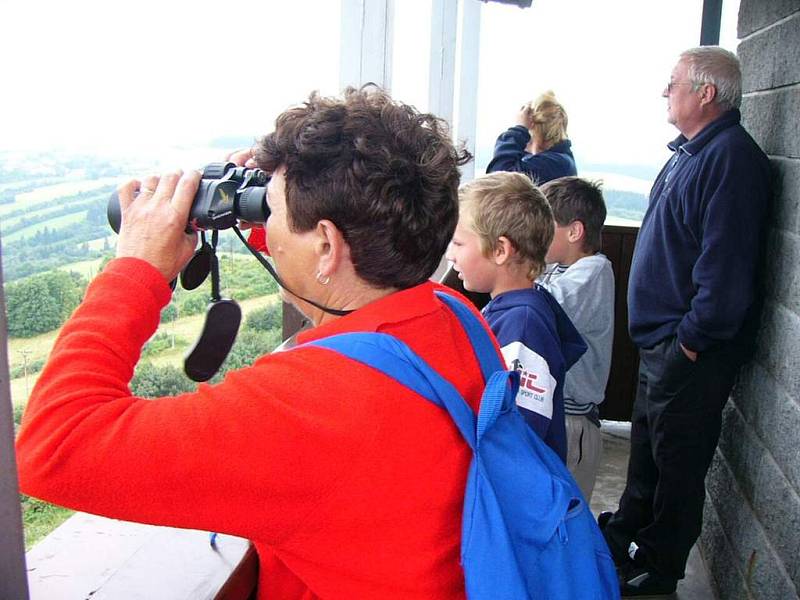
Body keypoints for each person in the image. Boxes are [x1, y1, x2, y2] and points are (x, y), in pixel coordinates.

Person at [14, 87, 494, 600]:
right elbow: (337, 274)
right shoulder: (454, 315)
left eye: (275, 210)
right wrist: (273, 206)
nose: (269, 220)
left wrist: (136, 268)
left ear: (327, 243)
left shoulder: (308, 407)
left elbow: (52, 447)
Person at [600, 46, 771, 597]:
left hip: (689, 351)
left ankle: (658, 567)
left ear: (707, 93)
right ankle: (628, 540)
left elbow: (725, 272)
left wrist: (689, 345)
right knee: (648, 455)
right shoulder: (691, 153)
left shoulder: (732, 160)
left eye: (673, 83)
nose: (664, 91)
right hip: (663, 345)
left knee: (677, 466)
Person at [445, 171, 586, 462]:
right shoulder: (515, 311)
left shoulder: (522, 325)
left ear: (500, 250)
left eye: (458, 243)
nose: (450, 255)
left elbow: (520, 433)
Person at [537, 176, 614, 502]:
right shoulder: (556, 268)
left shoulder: (593, 272)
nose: (536, 234)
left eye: (543, 226)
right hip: (556, 414)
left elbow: (544, 307)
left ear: (574, 231)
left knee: (566, 517)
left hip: (574, 424)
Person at [486, 91, 577, 184]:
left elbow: (497, 180)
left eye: (526, 130)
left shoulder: (554, 164)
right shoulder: (560, 161)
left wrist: (518, 130)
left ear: (533, 130)